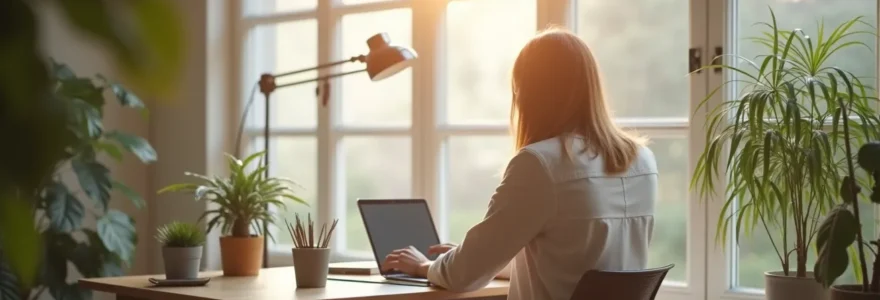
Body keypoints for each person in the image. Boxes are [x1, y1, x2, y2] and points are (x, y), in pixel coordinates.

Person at [382, 28, 659, 300]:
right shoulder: (642, 159)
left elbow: (463, 276)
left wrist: (424, 265)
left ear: (527, 93)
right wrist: (478, 259)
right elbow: (576, 261)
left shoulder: (540, 164)